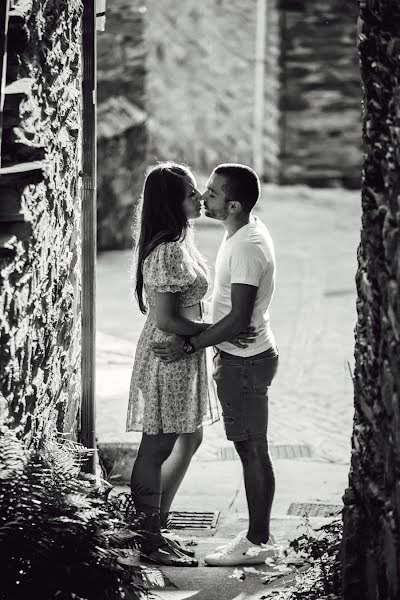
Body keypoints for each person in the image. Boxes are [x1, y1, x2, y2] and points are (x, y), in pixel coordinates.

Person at [127, 162, 253, 567]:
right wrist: (219, 331)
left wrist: (204, 336)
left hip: (183, 352)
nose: (199, 198)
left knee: (189, 438)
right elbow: (166, 319)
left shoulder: (180, 240)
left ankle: (153, 528)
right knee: (156, 446)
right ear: (170, 203)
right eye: (190, 194)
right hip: (169, 352)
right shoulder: (165, 249)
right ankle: (148, 537)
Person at [153, 163, 279, 567]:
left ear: (234, 204)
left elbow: (239, 319)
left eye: (212, 193)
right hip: (241, 358)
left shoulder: (245, 247)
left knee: (252, 449)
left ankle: (257, 542)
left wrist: (190, 346)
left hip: (245, 362)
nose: (204, 197)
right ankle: (259, 538)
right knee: (250, 447)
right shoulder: (241, 232)